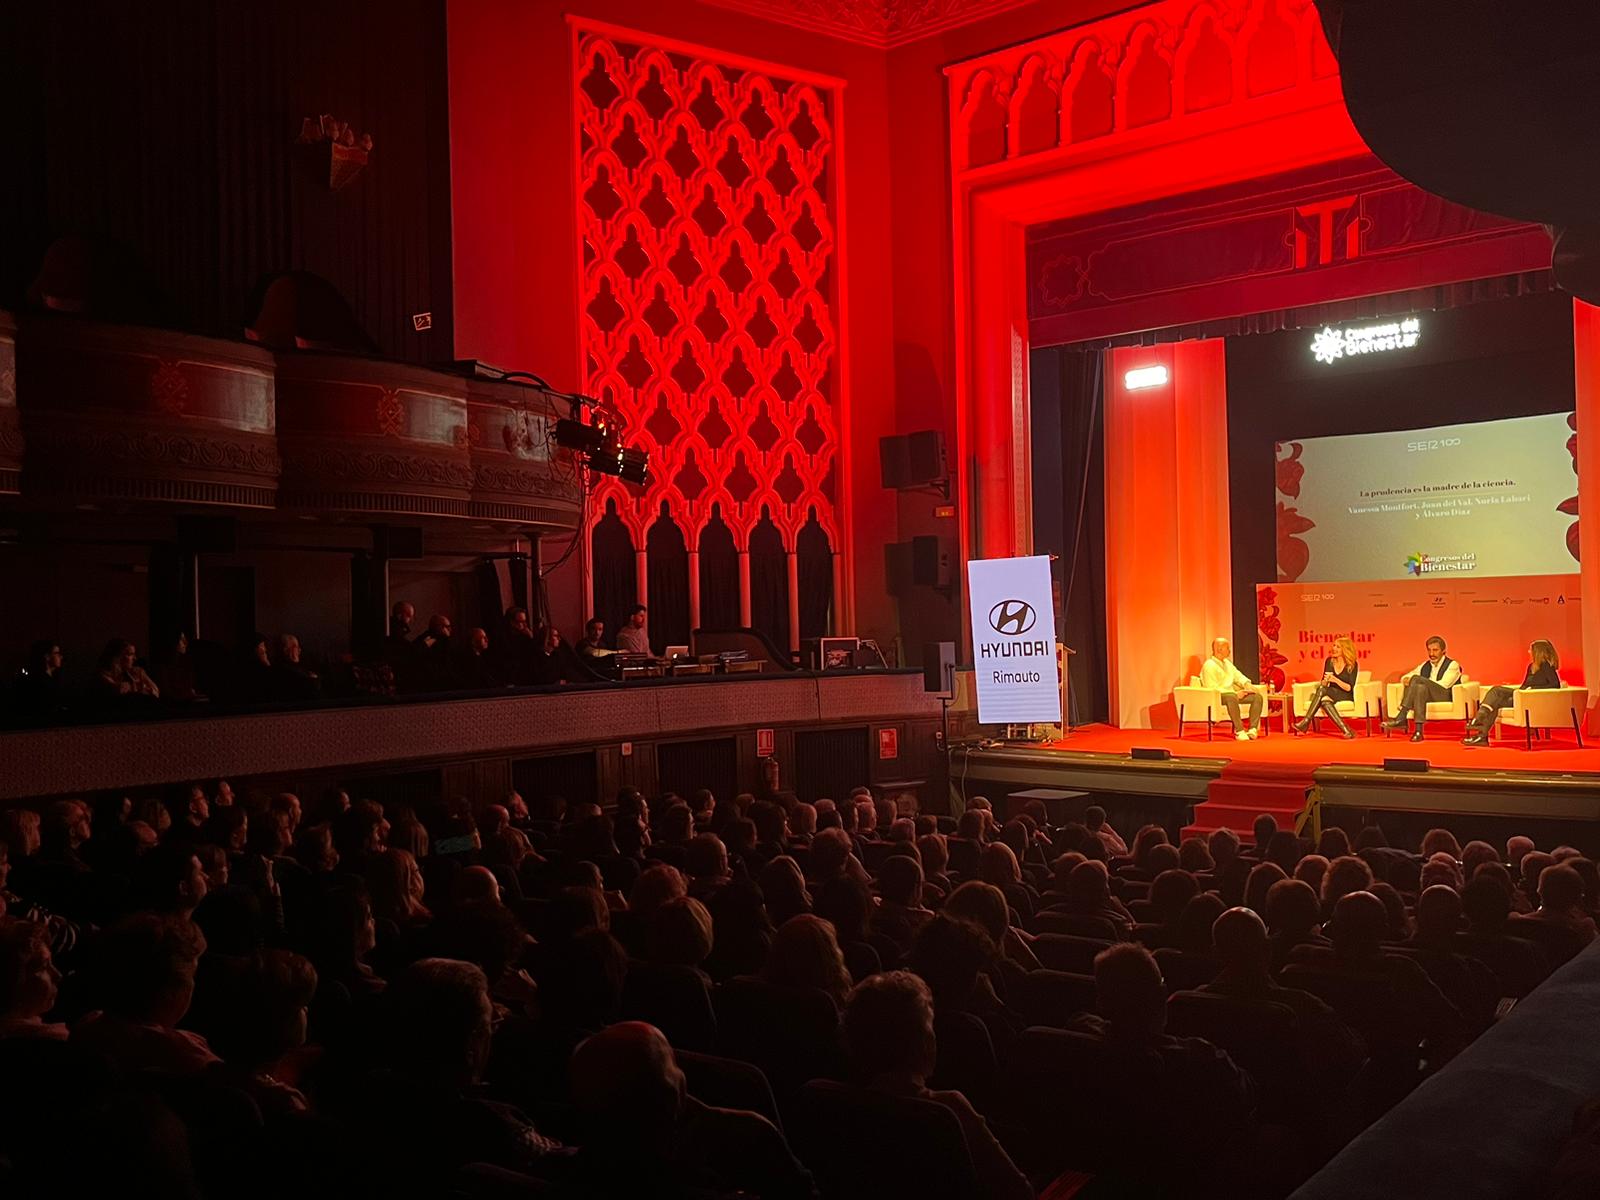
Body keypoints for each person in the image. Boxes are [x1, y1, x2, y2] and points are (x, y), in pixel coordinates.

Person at [842, 971, 1031, 1200]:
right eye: (930, 1027)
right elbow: (1017, 1190)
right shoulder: (947, 1108)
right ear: (921, 1040)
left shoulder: (836, 1104)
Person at [1462, 638, 1563, 746]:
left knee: (1496, 692)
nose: (1529, 652)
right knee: (1496, 696)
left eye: (1531, 649)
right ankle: (1481, 734)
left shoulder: (1546, 666)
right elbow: (1524, 686)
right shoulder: (1532, 667)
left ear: (1538, 652)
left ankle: (1480, 722)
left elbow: (1555, 685)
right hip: (1521, 695)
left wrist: (1533, 690)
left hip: (1530, 700)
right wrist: (1520, 690)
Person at [1384, 635, 1462, 742]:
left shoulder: (1452, 665)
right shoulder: (1425, 665)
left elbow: (1444, 684)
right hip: (1428, 694)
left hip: (1444, 695)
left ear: (1443, 651)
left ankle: (1402, 716)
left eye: (1435, 650)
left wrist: (1418, 680)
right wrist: (1405, 679)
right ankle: (1418, 731)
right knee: (1420, 689)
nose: (1431, 654)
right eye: (1429, 650)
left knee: (1417, 680)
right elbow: (1407, 676)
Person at [1294, 634, 1359, 738]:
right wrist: (1325, 682)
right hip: (1331, 692)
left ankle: (1306, 722)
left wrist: (1335, 680)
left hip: (1345, 694)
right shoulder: (1329, 662)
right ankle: (1347, 730)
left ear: (1345, 650)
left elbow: (1349, 688)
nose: (1334, 648)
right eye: (1334, 646)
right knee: (1324, 699)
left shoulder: (1352, 665)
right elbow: (1323, 684)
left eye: (1338, 647)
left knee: (1323, 694)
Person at [1200, 637, 1264, 740]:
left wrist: (1247, 683)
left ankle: (1252, 729)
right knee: (1231, 697)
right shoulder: (1209, 666)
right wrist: (1235, 693)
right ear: (1219, 649)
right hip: (1218, 696)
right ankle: (1239, 730)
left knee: (1257, 697)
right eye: (1227, 648)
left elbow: (1238, 675)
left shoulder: (1227, 663)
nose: (1230, 651)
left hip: (1232, 695)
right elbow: (1211, 688)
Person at [94, 638, 160, 702]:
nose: (135, 658)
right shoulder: (102, 676)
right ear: (117, 657)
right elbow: (116, 691)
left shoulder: (137, 672)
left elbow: (156, 691)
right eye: (130, 654)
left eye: (134, 654)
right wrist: (134, 687)